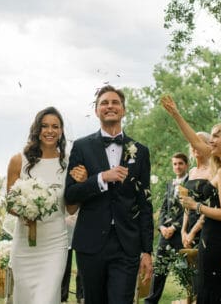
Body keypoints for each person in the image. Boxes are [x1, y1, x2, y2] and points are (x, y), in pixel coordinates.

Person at [65, 85, 153, 304]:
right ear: (96, 111)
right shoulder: (81, 147)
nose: (110, 106)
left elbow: (145, 202)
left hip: (127, 244)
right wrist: (101, 178)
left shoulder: (140, 151)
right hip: (90, 242)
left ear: (123, 110)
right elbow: (71, 194)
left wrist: (147, 251)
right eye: (104, 103)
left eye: (115, 102)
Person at [162, 95, 221, 304]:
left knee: (215, 292)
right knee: (208, 290)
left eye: (216, 136)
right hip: (211, 237)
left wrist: (196, 206)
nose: (211, 140)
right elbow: (194, 140)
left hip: (219, 239)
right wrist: (176, 114)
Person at [7, 107, 81, 304]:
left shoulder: (68, 163)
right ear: (37, 129)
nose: (50, 131)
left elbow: (71, 209)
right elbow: (10, 205)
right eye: (45, 126)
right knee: (25, 298)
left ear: (61, 130)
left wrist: (81, 185)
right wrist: (27, 209)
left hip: (55, 243)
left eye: (55, 126)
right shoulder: (18, 161)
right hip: (24, 244)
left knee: (46, 298)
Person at [145, 152, 189, 304]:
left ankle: (191, 298)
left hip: (181, 234)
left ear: (186, 165)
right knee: (160, 270)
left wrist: (174, 227)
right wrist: (162, 227)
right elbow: (164, 208)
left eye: (180, 163)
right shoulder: (170, 184)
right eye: (175, 164)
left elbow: (189, 210)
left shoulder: (191, 182)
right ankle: (151, 301)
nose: (177, 166)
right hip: (165, 235)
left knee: (186, 271)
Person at [180, 132, 211, 249]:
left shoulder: (212, 171)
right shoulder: (192, 172)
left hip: (205, 226)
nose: (195, 146)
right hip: (189, 227)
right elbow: (186, 204)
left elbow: (212, 204)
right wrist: (183, 231)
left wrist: (193, 232)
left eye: (200, 142)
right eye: (193, 143)